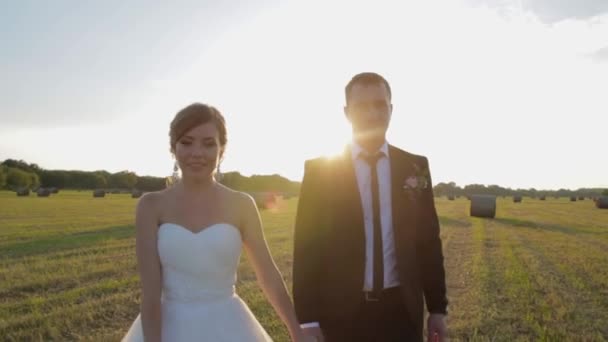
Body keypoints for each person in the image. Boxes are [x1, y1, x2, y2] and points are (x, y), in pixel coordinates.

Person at [122, 103, 311, 342]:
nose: (197, 152)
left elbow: (268, 275)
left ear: (222, 149)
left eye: (209, 143)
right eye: (187, 142)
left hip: (230, 327)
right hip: (169, 328)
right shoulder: (151, 206)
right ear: (173, 148)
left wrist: (296, 330)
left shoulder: (242, 204)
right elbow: (150, 293)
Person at [293, 72, 449, 341]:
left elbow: (428, 243)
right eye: (361, 106)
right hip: (340, 314)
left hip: (401, 312)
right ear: (346, 113)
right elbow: (307, 248)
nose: (372, 113)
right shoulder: (320, 171)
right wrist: (307, 321)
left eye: (379, 104)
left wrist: (437, 308)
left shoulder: (415, 167)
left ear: (391, 109)